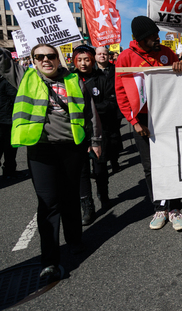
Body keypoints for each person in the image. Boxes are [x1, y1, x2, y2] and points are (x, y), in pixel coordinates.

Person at [0, 43, 102, 281]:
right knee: (48, 203)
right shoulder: (25, 78)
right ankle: (50, 261)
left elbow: (90, 113)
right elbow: (4, 63)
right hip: (41, 151)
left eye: (50, 56)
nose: (45, 60)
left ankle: (74, 239)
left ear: (58, 59)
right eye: (40, 57)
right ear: (33, 60)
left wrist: (95, 140)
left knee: (69, 198)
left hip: (71, 148)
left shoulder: (75, 80)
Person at [115, 16, 182, 231]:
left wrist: (180, 67)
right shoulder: (126, 58)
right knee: (150, 166)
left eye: (157, 34)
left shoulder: (167, 53)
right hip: (142, 119)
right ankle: (159, 207)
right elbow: (121, 94)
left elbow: (180, 82)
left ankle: (175, 208)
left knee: (172, 162)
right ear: (139, 39)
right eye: (151, 37)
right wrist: (134, 122)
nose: (157, 38)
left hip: (167, 116)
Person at [73, 45, 117, 225]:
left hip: (100, 131)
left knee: (99, 167)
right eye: (79, 60)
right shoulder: (70, 79)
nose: (83, 63)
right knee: (82, 171)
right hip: (78, 133)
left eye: (87, 59)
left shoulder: (102, 78)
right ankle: (87, 207)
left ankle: (103, 195)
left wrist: (90, 111)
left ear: (92, 60)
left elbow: (111, 103)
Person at [95, 46, 123, 172]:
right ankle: (101, 164)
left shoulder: (116, 70)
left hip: (114, 110)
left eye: (104, 54)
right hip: (98, 111)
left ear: (109, 56)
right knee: (101, 138)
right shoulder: (91, 71)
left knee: (114, 137)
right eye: (99, 54)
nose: (102, 56)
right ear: (95, 56)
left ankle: (114, 159)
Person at [0, 74, 19, 180]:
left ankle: (9, 170)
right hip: (7, 119)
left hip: (4, 118)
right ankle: (9, 171)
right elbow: (15, 98)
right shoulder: (7, 81)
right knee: (10, 148)